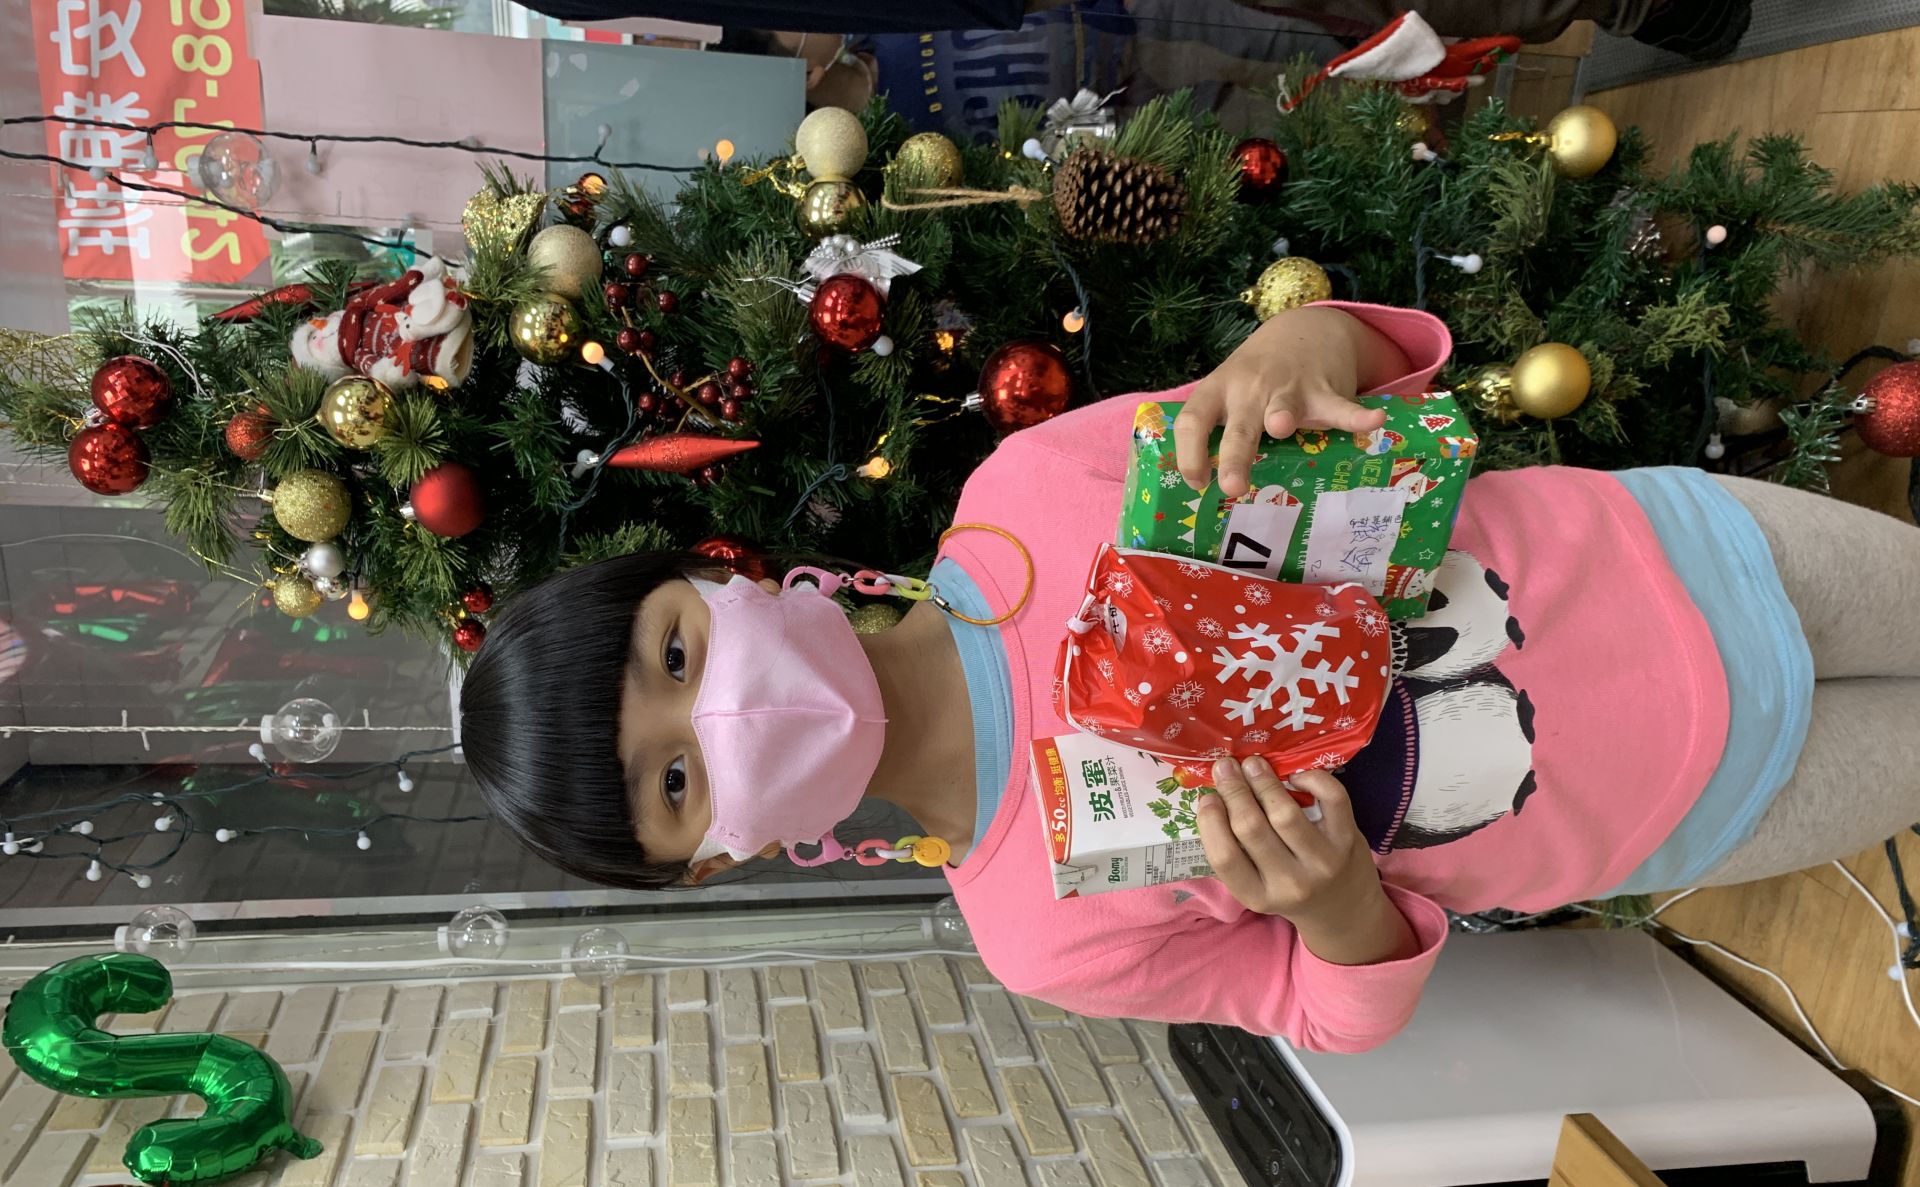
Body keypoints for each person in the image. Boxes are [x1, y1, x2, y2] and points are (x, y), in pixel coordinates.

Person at [460, 299, 1920, 1051]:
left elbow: (1373, 379)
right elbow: (1329, 1012)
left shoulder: (1025, 494)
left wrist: (1298, 343)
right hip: (1700, 803)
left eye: (675, 653)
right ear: (715, 861)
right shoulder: (1039, 936)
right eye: (677, 777)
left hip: (1681, 555)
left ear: (718, 578)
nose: (729, 713)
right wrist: (1334, 907)